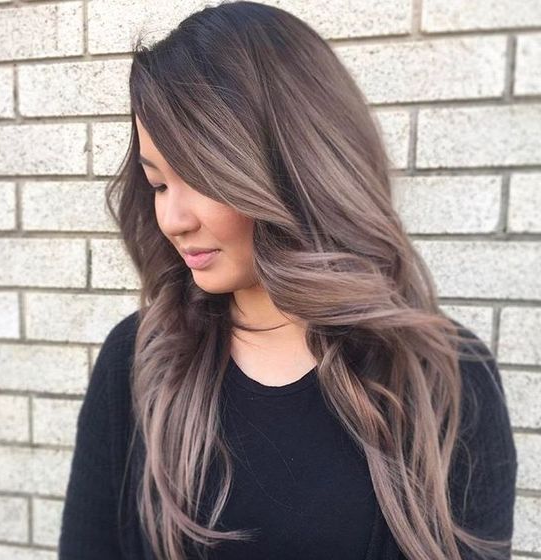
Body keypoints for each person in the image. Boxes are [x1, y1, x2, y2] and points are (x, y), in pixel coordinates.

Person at [58, 2, 517, 559]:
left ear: (295, 167)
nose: (173, 219)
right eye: (158, 185)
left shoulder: (445, 378)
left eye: (199, 177)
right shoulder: (138, 360)